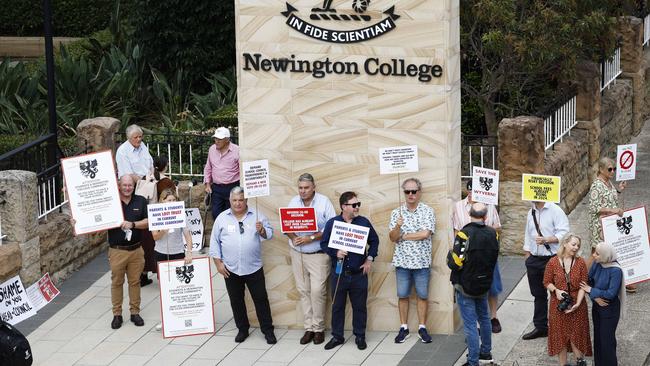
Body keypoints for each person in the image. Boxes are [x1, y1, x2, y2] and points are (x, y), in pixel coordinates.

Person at [209, 186, 277, 344]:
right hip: (231, 269)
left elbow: (270, 234)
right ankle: (242, 329)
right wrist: (218, 264)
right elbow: (214, 243)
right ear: (230, 201)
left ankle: (268, 331)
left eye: (241, 200)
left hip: (253, 267)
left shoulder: (257, 215)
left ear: (246, 200)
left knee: (261, 300)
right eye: (234, 200)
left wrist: (262, 231)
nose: (238, 203)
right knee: (236, 300)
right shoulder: (222, 218)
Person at [320, 192, 379, 351]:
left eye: (358, 204)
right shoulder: (333, 223)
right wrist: (335, 252)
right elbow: (324, 244)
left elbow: (374, 241)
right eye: (354, 205)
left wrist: (370, 259)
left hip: (358, 275)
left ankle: (360, 336)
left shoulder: (363, 222)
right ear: (344, 206)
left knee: (359, 307)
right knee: (337, 306)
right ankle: (337, 337)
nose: (357, 207)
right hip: (339, 273)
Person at [285, 173, 336, 345]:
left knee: (317, 292)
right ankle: (309, 328)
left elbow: (332, 227)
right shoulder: (293, 202)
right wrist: (293, 237)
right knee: (303, 291)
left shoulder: (324, 202)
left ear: (314, 187)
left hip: (318, 255)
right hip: (297, 253)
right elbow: (286, 226)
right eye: (300, 188)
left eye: (306, 188)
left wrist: (311, 238)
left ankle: (319, 328)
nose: (303, 191)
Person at [447, 203, 499, 366]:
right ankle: (486, 353)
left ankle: (473, 361)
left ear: (470, 214)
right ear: (485, 216)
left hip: (465, 285)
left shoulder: (464, 234)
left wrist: (449, 255)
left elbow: (456, 262)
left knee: (470, 325)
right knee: (484, 318)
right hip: (484, 284)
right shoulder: (493, 234)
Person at [452, 180, 503, 333]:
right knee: (470, 287)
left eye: (474, 190)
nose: (471, 193)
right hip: (468, 256)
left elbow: (498, 228)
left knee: (492, 286)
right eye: (469, 190)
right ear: (466, 191)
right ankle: (477, 320)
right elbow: (456, 230)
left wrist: (483, 229)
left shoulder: (488, 205)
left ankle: (493, 317)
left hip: (487, 253)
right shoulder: (458, 207)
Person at [388, 178, 435, 343]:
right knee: (402, 295)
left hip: (421, 262)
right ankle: (404, 327)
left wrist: (404, 236)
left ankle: (422, 327)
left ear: (419, 192)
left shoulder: (427, 211)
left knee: (422, 296)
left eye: (413, 191)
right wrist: (397, 227)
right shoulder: (396, 213)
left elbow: (425, 234)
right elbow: (393, 238)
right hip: (402, 262)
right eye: (407, 191)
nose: (410, 194)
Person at [522, 201, 570, 340]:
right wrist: (527, 257)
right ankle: (541, 327)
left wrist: (547, 239)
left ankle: (560, 327)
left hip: (551, 258)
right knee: (538, 295)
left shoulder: (555, 210)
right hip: (534, 259)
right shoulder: (531, 212)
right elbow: (528, 234)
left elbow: (565, 233)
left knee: (557, 293)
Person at [115, 124, 156, 287]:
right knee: (139, 230)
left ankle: (145, 271)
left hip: (148, 187)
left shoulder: (143, 147)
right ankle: (138, 273)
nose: (139, 140)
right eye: (136, 137)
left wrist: (150, 177)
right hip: (136, 190)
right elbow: (127, 175)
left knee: (149, 229)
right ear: (128, 138)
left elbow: (150, 164)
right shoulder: (123, 151)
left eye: (140, 136)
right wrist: (142, 180)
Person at [106, 175, 149, 329]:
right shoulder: (110, 203)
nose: (127, 188)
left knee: (135, 282)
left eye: (130, 185)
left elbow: (148, 221)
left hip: (136, 250)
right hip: (117, 251)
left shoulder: (141, 201)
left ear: (134, 186)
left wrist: (133, 224)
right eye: (124, 185)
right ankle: (117, 315)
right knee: (117, 282)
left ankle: (135, 312)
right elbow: (96, 222)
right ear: (119, 185)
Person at [543, 233, 592, 366]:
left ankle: (580, 361)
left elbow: (583, 285)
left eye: (578, 245)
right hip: (558, 304)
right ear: (565, 244)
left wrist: (578, 303)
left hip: (578, 304)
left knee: (577, 334)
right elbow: (546, 282)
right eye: (573, 244)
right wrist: (556, 290)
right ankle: (562, 364)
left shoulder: (581, 262)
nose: (576, 248)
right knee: (560, 336)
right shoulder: (552, 262)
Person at [587, 157, 631, 292]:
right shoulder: (596, 185)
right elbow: (594, 207)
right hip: (599, 225)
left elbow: (608, 198)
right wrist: (614, 210)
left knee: (609, 250)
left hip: (610, 224)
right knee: (596, 253)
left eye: (614, 169)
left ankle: (623, 279)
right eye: (610, 169)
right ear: (601, 169)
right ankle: (583, 278)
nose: (613, 172)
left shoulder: (609, 183)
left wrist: (619, 190)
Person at [580, 241, 625, 366]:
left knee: (607, 342)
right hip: (597, 306)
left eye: (597, 254)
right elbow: (587, 281)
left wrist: (592, 291)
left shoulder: (616, 271)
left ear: (605, 255)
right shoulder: (598, 263)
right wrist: (595, 297)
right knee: (598, 339)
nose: (594, 255)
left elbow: (611, 294)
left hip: (609, 309)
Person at [203, 127, 240, 220]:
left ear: (227, 140)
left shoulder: (237, 150)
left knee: (231, 215)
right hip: (217, 188)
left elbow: (242, 169)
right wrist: (207, 184)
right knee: (216, 214)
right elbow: (208, 167)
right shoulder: (212, 149)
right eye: (215, 138)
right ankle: (219, 234)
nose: (216, 141)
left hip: (233, 187)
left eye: (219, 139)